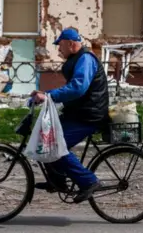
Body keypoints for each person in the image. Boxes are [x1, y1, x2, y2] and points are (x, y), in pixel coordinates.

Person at [30, 27, 110, 203]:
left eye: (60, 46)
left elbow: (78, 88)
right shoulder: (78, 59)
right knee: (46, 138)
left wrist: (49, 96)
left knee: (56, 145)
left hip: (89, 115)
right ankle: (57, 181)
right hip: (79, 112)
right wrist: (44, 94)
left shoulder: (85, 59)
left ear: (71, 44)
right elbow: (71, 89)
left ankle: (89, 181)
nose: (59, 50)